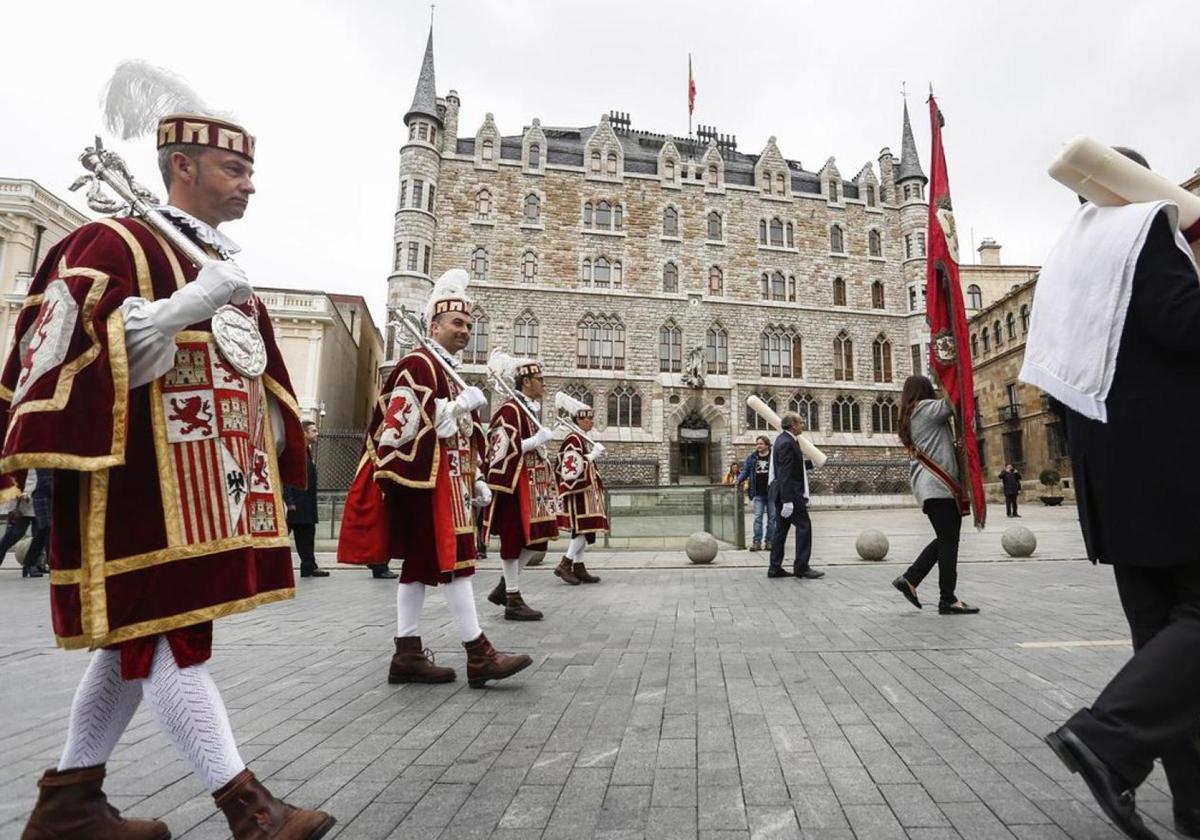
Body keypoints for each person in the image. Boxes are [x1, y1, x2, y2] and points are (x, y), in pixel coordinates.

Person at [1, 93, 333, 838]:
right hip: (139, 483)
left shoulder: (212, 261)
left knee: (140, 638)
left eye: (251, 170)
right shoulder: (110, 241)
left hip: (209, 483)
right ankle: (250, 811)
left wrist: (278, 438)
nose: (249, 182)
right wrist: (188, 304)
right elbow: (70, 352)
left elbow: (251, 370)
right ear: (181, 167)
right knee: (163, 635)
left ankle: (69, 804)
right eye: (234, 168)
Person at [1019, 149, 1200, 840]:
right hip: (1173, 468)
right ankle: (1107, 739)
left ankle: (1194, 808)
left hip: (1111, 481)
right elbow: (1184, 325)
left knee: (1164, 645)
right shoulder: (1145, 227)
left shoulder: (1068, 257)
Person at [337, 269, 531, 687]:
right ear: (434, 325)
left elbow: (459, 440)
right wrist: (457, 407)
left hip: (449, 484)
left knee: (420, 567)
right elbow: (399, 426)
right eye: (456, 323)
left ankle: (407, 653)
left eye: (468, 324)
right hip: (425, 485)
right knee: (456, 564)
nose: (464, 330)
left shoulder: (444, 369)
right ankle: (478, 654)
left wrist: (473, 477)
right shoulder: (417, 364)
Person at [891, 375, 979, 616]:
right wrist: (955, 374)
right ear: (925, 390)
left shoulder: (909, 414)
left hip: (930, 489)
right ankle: (946, 599)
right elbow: (953, 404)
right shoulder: (926, 408)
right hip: (939, 486)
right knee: (949, 542)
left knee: (946, 539)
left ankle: (911, 580)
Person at [483, 355, 558, 617]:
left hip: (533, 485)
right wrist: (533, 442)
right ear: (526, 382)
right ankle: (512, 599)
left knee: (539, 538)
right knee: (514, 539)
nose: (543, 384)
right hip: (515, 485)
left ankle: (505, 586)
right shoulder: (510, 409)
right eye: (540, 380)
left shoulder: (527, 409)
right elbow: (498, 448)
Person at [553, 392, 607, 584]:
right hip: (579, 493)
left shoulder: (580, 438)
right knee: (583, 528)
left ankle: (579, 566)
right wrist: (592, 456)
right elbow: (570, 467)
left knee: (585, 529)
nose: (591, 422)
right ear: (579, 419)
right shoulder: (573, 439)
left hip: (586, 493)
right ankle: (565, 564)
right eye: (588, 419)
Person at [767, 413, 823, 580]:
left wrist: (812, 463)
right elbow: (784, 473)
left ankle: (775, 567)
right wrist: (788, 500)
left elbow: (792, 467)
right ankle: (802, 567)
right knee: (804, 527)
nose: (802, 425)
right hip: (791, 494)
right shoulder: (787, 443)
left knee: (781, 531)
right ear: (792, 424)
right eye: (800, 422)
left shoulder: (784, 440)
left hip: (785, 493)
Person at [284, 421, 329, 577]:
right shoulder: (296, 452)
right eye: (313, 431)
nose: (317, 433)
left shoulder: (307, 452)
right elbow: (288, 477)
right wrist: (289, 501)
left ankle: (309, 566)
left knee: (307, 535)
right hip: (296, 504)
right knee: (285, 536)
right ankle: (270, 566)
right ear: (304, 432)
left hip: (306, 504)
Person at [0, 470, 47, 577]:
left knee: (39, 534)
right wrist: (17, 492)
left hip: (39, 496)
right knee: (13, 535)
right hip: (21, 500)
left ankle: (33, 564)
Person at [736, 436, 775, 552]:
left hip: (772, 492)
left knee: (772, 519)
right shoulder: (752, 458)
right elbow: (746, 471)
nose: (758, 446)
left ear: (767, 445)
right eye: (757, 444)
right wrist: (739, 480)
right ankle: (756, 542)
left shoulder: (773, 457)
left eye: (761, 444)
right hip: (758, 493)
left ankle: (769, 542)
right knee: (758, 518)